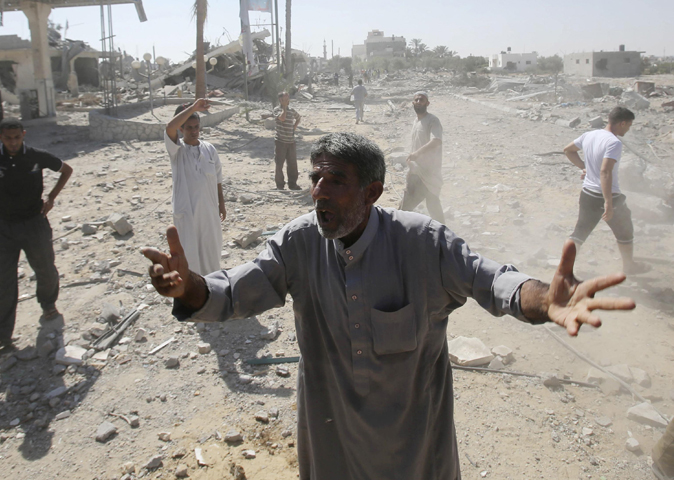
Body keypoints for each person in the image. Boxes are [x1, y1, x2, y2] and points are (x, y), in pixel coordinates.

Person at [142, 132, 635, 480]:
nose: (318, 191)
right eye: (315, 178)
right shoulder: (297, 243)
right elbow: (232, 292)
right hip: (330, 430)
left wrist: (544, 299)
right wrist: (188, 287)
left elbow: (494, 281)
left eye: (334, 181)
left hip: (413, 440)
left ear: (372, 192)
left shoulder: (423, 242)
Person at [0, 119, 73, 349]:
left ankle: (48, 305)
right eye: (8, 138)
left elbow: (66, 170)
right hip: (3, 226)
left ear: (23, 135)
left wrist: (51, 197)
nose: (13, 142)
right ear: (0, 137)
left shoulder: (36, 156)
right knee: (4, 280)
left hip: (34, 223)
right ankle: (1, 333)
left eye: (17, 137)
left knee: (46, 269)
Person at [563, 106, 647, 274]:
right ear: (622, 123)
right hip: (608, 196)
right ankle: (629, 266)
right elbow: (605, 171)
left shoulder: (590, 135)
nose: (629, 129)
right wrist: (608, 202)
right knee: (625, 231)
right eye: (629, 125)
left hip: (587, 193)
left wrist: (584, 167)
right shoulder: (614, 142)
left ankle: (563, 269)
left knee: (579, 232)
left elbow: (568, 150)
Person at [164, 98, 226, 275]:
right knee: (190, 256)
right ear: (181, 128)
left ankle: (212, 289)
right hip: (187, 214)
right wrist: (193, 107)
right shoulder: (177, 150)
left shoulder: (209, 149)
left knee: (211, 253)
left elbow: (218, 178)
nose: (193, 131)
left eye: (196, 127)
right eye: (189, 127)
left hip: (209, 213)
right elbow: (169, 127)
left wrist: (221, 204)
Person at [400, 91, 445, 223]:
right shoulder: (416, 121)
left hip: (429, 171)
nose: (419, 102)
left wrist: (417, 154)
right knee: (430, 204)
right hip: (417, 171)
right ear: (413, 103)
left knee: (408, 207)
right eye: (417, 100)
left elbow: (436, 140)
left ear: (427, 103)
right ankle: (443, 234)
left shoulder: (432, 120)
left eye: (422, 100)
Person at [273, 92, 302, 190]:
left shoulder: (292, 110)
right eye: (285, 99)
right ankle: (280, 185)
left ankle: (292, 184)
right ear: (280, 100)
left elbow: (298, 118)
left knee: (292, 164)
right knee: (279, 164)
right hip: (280, 141)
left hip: (291, 141)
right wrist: (284, 108)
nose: (287, 101)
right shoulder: (277, 110)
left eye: (288, 99)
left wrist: (294, 127)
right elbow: (282, 118)